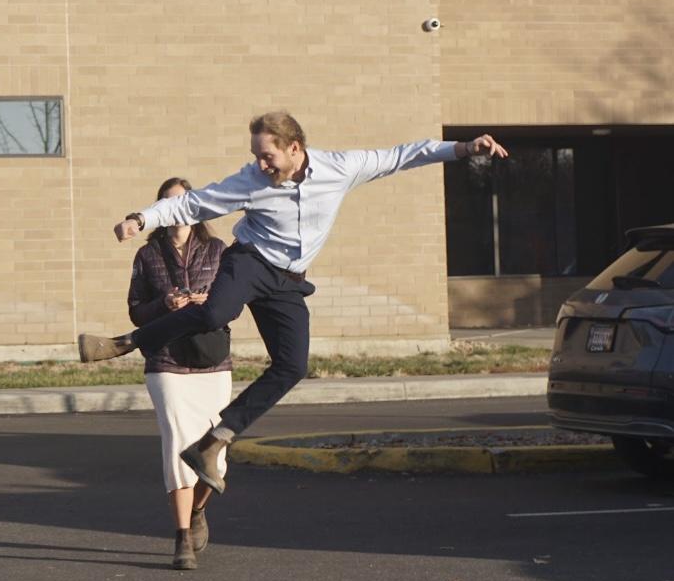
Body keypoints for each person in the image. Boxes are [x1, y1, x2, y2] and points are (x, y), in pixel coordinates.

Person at [79, 110, 508, 495]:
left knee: (292, 366)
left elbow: (402, 155)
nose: (261, 165)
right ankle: (128, 341)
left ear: (295, 147)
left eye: (268, 156)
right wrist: (142, 218)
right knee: (214, 311)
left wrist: (465, 148)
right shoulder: (250, 181)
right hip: (249, 262)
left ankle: (214, 441)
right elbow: (194, 201)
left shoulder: (341, 168)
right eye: (257, 157)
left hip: (289, 282)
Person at [126, 177, 230, 571]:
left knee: (215, 460)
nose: (176, 210)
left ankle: (199, 511)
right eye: (167, 203)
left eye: (183, 202)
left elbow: (234, 301)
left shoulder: (218, 250)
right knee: (177, 446)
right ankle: (182, 537)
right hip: (166, 360)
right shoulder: (147, 255)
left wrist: (210, 303)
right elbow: (136, 309)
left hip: (211, 360)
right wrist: (163, 304)